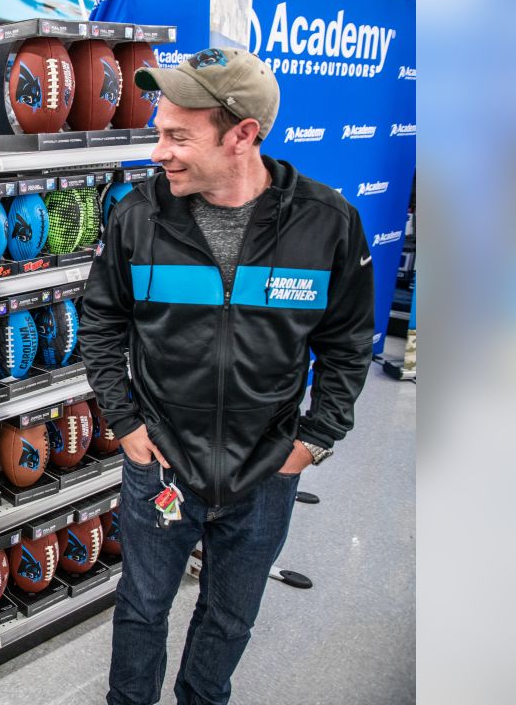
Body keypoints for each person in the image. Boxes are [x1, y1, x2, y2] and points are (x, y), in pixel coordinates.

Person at [78, 47, 374, 705]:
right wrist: (125, 424)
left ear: (243, 135)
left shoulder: (327, 225)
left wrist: (315, 439)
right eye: (159, 132)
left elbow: (348, 342)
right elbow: (100, 322)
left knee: (230, 618)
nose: (159, 152)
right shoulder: (136, 219)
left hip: (266, 471)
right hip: (161, 466)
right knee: (141, 609)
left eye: (177, 135)